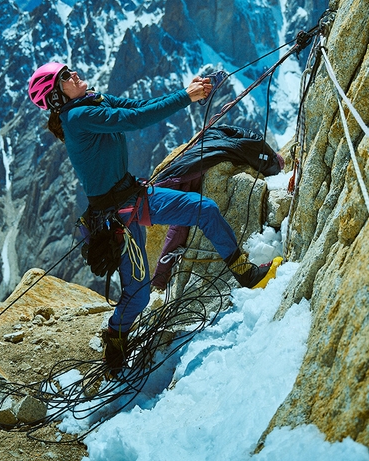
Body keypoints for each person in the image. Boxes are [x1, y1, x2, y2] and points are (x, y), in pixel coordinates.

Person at [28, 62, 282, 377]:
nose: (74, 74)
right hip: (117, 217)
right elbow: (135, 119)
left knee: (204, 208)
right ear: (55, 98)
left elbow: (139, 107)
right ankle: (115, 335)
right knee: (138, 295)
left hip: (133, 198)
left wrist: (185, 93)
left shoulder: (92, 103)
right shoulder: (78, 117)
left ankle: (245, 273)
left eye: (70, 70)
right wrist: (187, 97)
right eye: (65, 77)